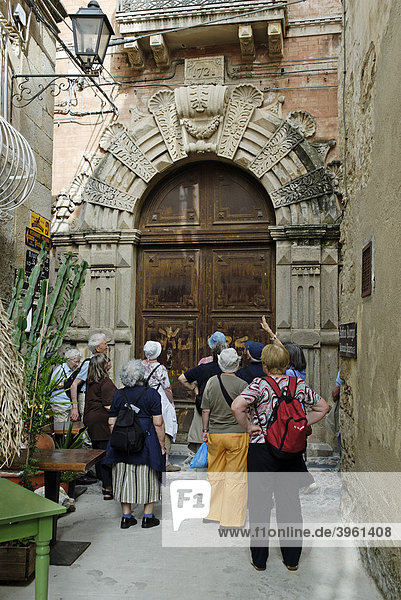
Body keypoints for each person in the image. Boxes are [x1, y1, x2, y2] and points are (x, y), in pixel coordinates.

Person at [231, 344, 329, 572]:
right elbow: (323, 407)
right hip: (290, 452)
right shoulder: (298, 385)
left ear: (265, 365)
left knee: (259, 505)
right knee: (290, 505)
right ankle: (292, 559)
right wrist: (302, 424)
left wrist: (249, 426)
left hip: (262, 450)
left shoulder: (260, 385)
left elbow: (237, 406)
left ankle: (260, 559)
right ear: (286, 364)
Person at [105, 359, 166, 530]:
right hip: (146, 441)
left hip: (122, 444)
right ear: (141, 375)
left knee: (124, 477)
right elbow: (158, 423)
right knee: (148, 477)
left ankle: (126, 517)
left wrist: (119, 439)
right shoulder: (152, 395)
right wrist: (161, 446)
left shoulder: (118, 394)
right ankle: (147, 517)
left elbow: (111, 422)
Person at [201, 348, 248, 527]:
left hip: (216, 434)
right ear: (237, 363)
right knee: (236, 476)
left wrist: (205, 430)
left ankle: (212, 513)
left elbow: (206, 410)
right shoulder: (242, 385)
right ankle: (232, 518)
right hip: (237, 434)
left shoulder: (212, 382)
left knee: (215, 473)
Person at [178, 340, 227, 454]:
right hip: (222, 409)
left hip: (203, 407)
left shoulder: (203, 368)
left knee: (201, 442)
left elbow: (181, 378)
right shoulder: (228, 371)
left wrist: (195, 390)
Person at [142, 340, 180, 472]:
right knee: (165, 426)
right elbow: (167, 388)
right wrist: (171, 402)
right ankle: (165, 461)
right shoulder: (160, 368)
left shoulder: (139, 365)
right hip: (159, 398)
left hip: (143, 397)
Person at [84, 354, 116, 500]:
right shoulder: (105, 382)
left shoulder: (91, 381)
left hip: (91, 419)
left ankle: (104, 484)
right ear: (104, 365)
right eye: (108, 361)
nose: (110, 362)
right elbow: (109, 405)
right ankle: (108, 487)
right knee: (106, 453)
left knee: (98, 451)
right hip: (102, 421)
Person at [70, 332, 109, 421]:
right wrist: (75, 407)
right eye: (105, 344)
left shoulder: (101, 362)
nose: (107, 347)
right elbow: (74, 385)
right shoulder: (89, 364)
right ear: (97, 348)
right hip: (86, 398)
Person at [50, 348, 82, 432]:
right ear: (68, 360)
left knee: (68, 430)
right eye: (75, 362)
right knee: (60, 430)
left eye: (79, 362)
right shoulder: (60, 370)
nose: (77, 364)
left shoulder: (73, 370)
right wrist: (65, 384)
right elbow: (51, 386)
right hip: (60, 404)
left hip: (68, 404)